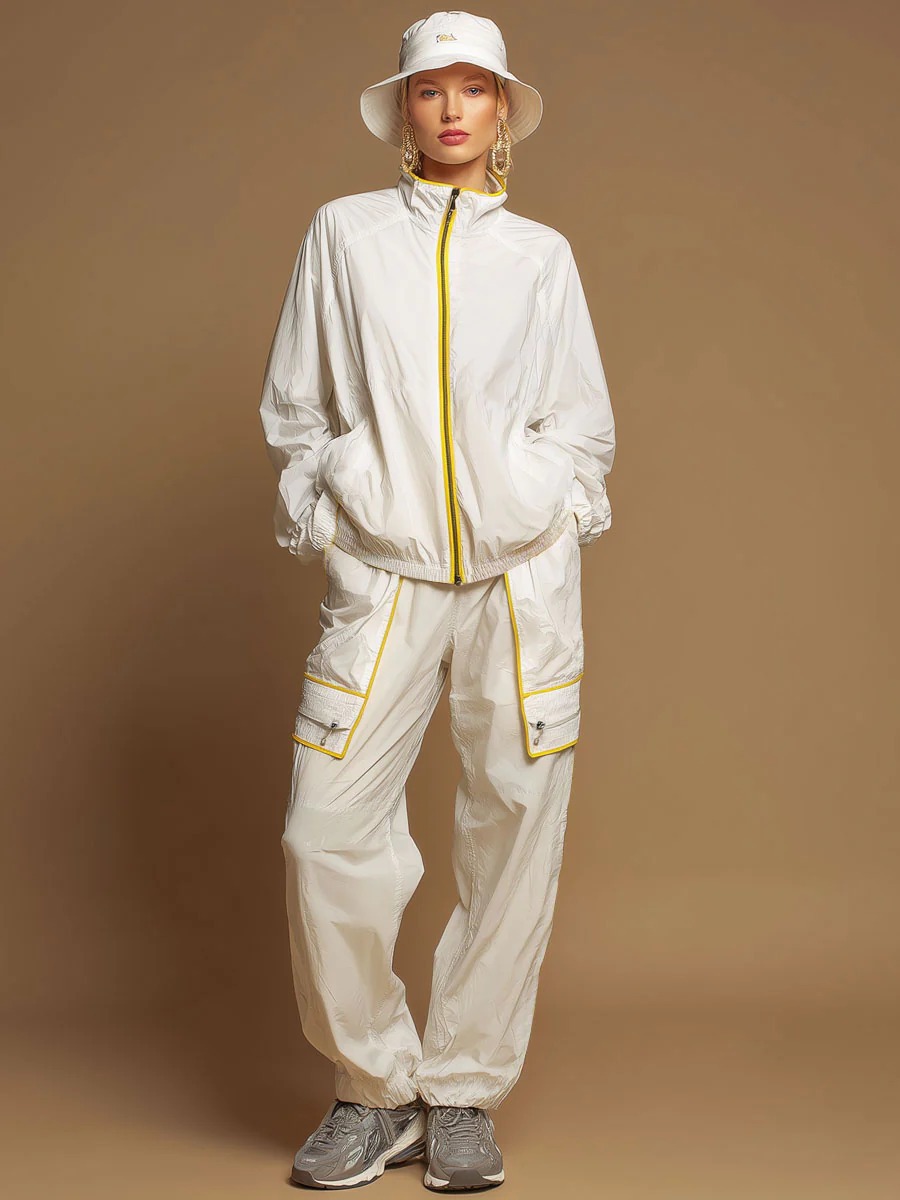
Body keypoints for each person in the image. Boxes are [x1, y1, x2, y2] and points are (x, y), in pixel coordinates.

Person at [258, 11, 616, 1191]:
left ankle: (460, 1092)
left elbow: (580, 423)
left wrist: (549, 504)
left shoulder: (542, 257)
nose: (453, 109)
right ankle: (373, 1090)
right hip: (386, 574)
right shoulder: (345, 237)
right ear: (402, 111)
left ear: (502, 110)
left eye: (475, 89)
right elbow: (299, 405)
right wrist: (337, 516)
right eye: (430, 90)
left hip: (519, 582)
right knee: (325, 830)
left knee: (514, 826)